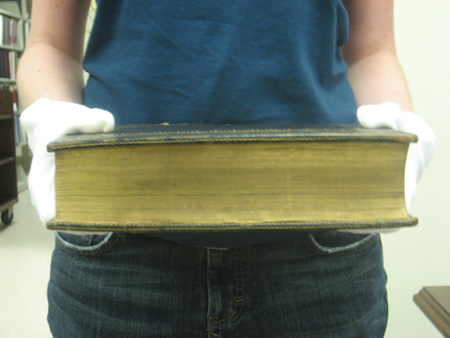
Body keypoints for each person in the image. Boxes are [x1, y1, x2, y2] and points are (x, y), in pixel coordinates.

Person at [17, 1, 435, 337]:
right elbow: (51, 45)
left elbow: (371, 52)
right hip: (118, 249)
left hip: (322, 254)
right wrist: (52, 125)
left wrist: (395, 141)